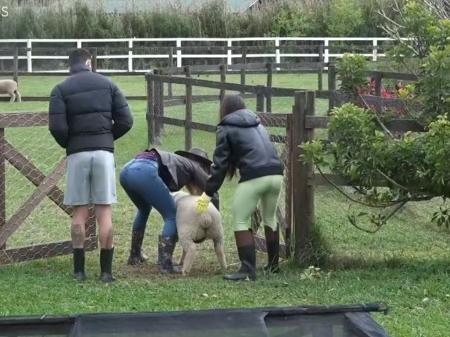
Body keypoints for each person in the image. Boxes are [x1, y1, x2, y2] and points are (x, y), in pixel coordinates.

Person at [48, 48, 133, 283]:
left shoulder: (60, 89)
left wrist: (72, 142)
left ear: (70, 65)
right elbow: (127, 120)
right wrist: (106, 138)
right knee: (104, 212)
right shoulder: (109, 84)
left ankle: (79, 271)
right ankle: (106, 273)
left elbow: (56, 127)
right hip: (103, 154)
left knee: (79, 213)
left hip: (77, 154)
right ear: (89, 62)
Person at [197, 95, 284, 281]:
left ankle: (247, 269)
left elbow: (219, 166)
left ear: (224, 110)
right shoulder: (258, 124)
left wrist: (207, 193)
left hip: (254, 176)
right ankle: (274, 265)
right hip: (276, 174)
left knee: (240, 219)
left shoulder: (225, 127)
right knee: (270, 217)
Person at [119, 148, 219, 272]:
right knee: (171, 215)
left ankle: (135, 255)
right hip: (145, 170)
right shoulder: (195, 166)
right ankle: (165, 264)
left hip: (126, 170)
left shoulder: (179, 162)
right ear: (202, 163)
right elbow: (212, 191)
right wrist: (215, 217)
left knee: (144, 208)